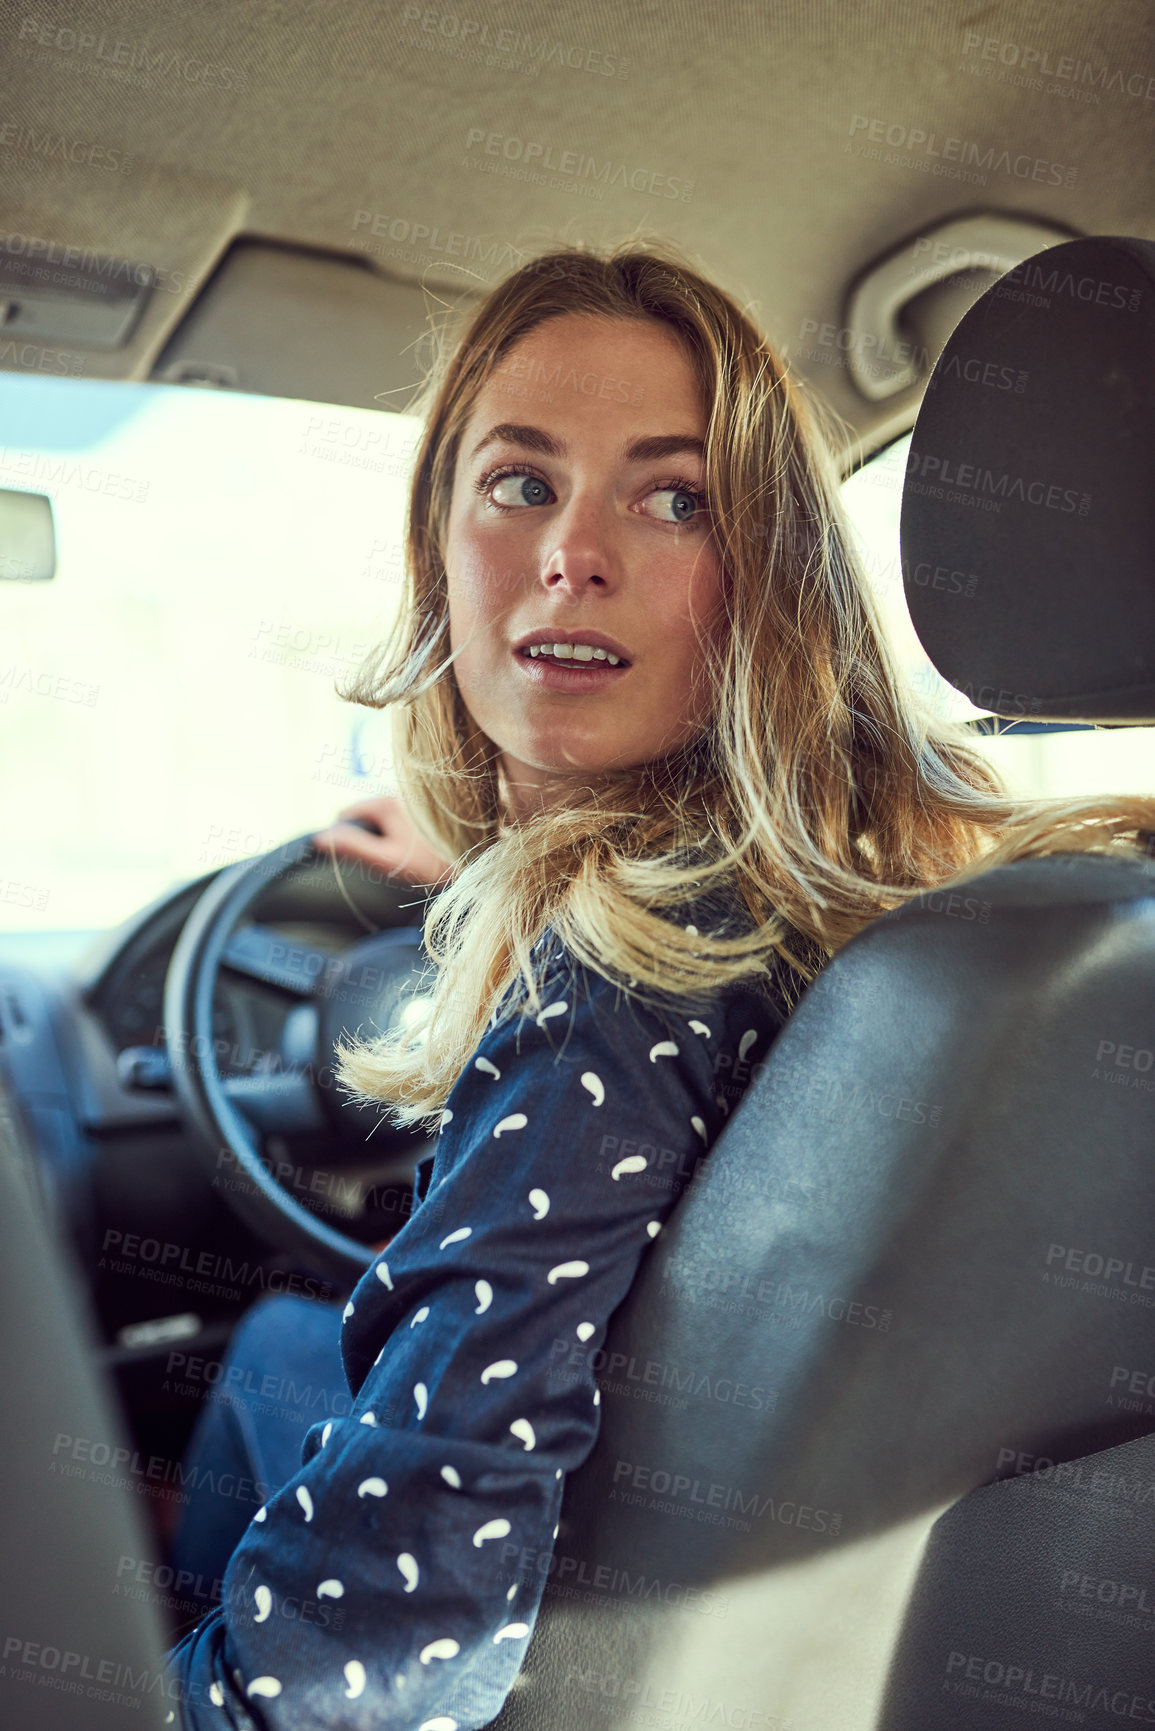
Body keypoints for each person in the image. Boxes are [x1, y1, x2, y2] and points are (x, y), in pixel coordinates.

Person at [162, 241, 1155, 1729]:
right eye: (520, 482)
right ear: (439, 542)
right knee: (286, 1348)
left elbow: (393, 1624)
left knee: (261, 1357)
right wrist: (510, 856)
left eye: (674, 496)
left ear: (766, 573)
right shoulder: (992, 918)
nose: (575, 553)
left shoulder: (615, 976)